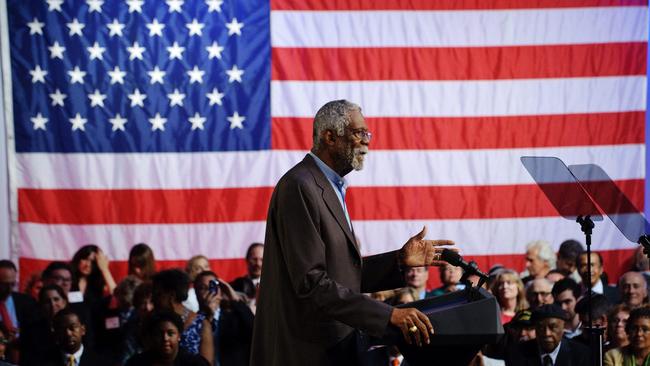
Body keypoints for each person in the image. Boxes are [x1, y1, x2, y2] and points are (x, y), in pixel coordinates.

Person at [250, 100, 455, 365]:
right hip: (305, 352)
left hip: (334, 347)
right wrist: (388, 315)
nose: (367, 141)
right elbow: (311, 283)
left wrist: (399, 261)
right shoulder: (300, 186)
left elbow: (341, 275)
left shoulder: (328, 186)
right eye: (359, 132)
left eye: (367, 134)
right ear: (330, 136)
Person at [152, 269, 214, 364]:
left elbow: (207, 362)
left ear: (171, 295)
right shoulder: (153, 322)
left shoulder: (201, 325)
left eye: (158, 294)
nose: (153, 299)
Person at [195, 271, 254, 366]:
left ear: (220, 290)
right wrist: (207, 318)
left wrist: (234, 298)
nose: (208, 292)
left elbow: (254, 331)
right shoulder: (192, 321)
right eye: (202, 288)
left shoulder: (235, 318)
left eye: (212, 286)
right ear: (195, 292)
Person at [505, 304, 590, 366]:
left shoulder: (580, 355)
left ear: (563, 327)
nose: (546, 333)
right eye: (541, 328)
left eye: (553, 327)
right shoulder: (517, 354)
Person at [125, 311, 210, 366]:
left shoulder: (195, 363)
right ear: (152, 337)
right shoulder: (136, 363)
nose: (165, 338)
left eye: (170, 333)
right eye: (159, 334)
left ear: (179, 336)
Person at [0, 260, 38, 364]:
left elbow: (36, 331)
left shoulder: (27, 302)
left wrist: (22, 334)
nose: (9, 289)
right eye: (4, 284)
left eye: (12, 284)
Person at [41, 308, 106, 366]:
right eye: (62, 329)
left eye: (72, 328)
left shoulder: (100, 361)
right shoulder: (44, 362)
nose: (68, 333)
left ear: (83, 330)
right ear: (55, 334)